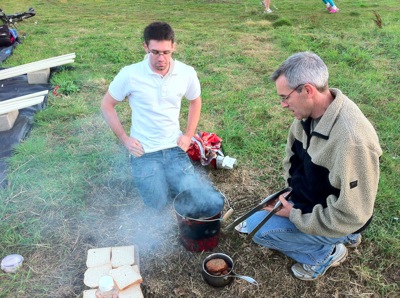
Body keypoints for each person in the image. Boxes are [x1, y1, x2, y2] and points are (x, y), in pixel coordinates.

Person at [237, 52, 382, 280]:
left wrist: (295, 214)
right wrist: (290, 193)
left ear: (307, 90)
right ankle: (339, 237)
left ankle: (328, 252)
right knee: (255, 217)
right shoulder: (307, 115)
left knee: (259, 231)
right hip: (315, 199)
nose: (283, 105)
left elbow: (354, 214)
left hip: (342, 218)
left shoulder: (352, 141)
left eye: (285, 97)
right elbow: (292, 160)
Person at [101, 21, 202, 210]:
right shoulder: (130, 74)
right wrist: (124, 139)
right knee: (157, 204)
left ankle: (170, 178)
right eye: (155, 52)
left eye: (166, 52)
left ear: (174, 47)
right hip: (144, 151)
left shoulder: (186, 73)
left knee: (192, 198)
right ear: (145, 47)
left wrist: (188, 135)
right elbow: (107, 104)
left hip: (174, 147)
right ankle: (159, 180)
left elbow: (195, 101)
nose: (161, 59)